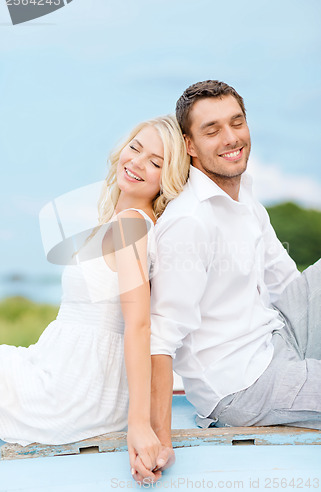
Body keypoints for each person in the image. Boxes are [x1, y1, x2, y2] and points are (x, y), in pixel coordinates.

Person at [133, 80, 321, 481]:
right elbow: (161, 339)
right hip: (242, 385)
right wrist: (160, 439)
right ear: (190, 145)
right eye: (212, 130)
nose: (231, 138)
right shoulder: (190, 222)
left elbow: (288, 283)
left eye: (237, 123)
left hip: (275, 337)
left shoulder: (244, 195)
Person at [0, 115, 190, 477]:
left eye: (155, 162)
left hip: (73, 388)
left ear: (167, 179)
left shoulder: (131, 224)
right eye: (135, 148)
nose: (137, 163)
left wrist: (139, 425)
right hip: (64, 371)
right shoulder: (127, 222)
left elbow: (139, 324)